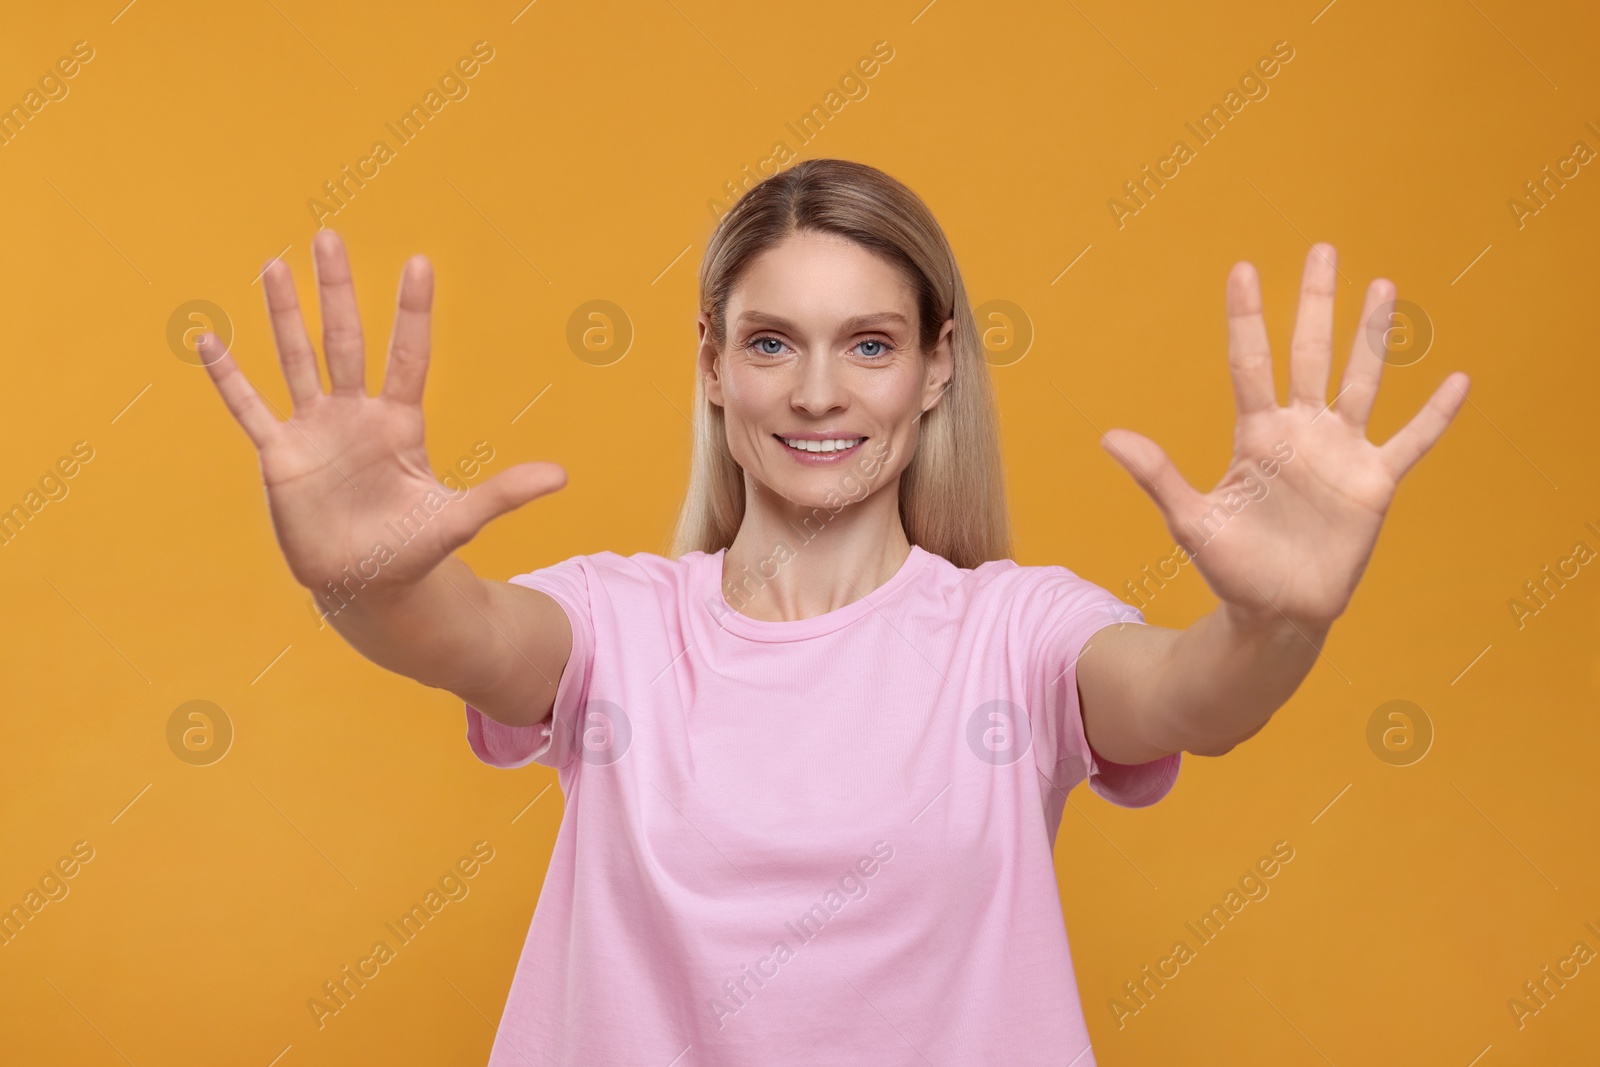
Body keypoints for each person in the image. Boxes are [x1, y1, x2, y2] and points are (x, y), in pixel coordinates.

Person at [197, 158, 1468, 1065]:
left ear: (936, 368)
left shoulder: (1014, 636)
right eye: (769, 344)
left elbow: (1199, 694)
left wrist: (1278, 622)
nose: (816, 392)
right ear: (710, 364)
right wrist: (360, 577)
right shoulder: (619, 624)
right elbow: (456, 634)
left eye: (867, 343)